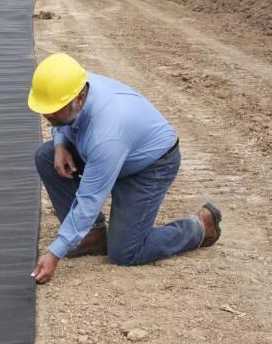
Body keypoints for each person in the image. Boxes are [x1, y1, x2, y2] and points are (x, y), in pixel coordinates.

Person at [28, 53, 221, 285]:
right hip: (115, 151)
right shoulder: (72, 85)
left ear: (79, 99)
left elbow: (89, 199)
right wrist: (60, 145)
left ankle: (200, 227)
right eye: (45, 109)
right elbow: (59, 121)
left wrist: (55, 252)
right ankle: (91, 236)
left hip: (150, 166)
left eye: (54, 110)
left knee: (126, 252)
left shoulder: (106, 133)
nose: (48, 115)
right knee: (47, 156)